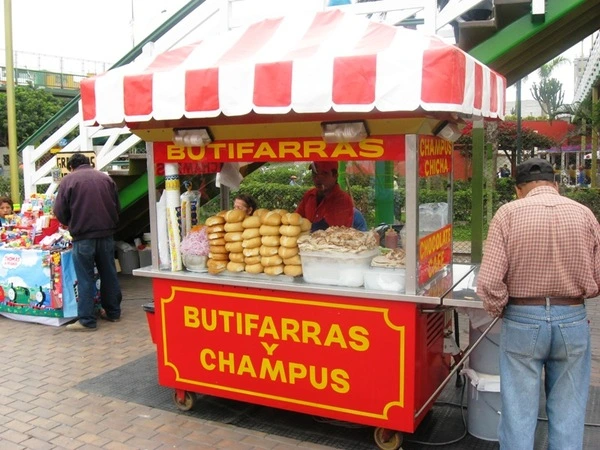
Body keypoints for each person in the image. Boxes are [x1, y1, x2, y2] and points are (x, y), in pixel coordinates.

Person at [477, 158, 600, 449]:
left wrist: (502, 309)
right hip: (572, 317)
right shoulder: (585, 214)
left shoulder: (507, 214)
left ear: (519, 189)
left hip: (522, 317)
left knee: (518, 409)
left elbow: (489, 283)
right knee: (569, 408)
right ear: (555, 185)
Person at [54, 153, 122, 331]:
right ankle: (113, 312)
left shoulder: (68, 181)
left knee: (85, 278)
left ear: (71, 167)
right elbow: (117, 206)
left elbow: (60, 211)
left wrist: (71, 223)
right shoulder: (106, 179)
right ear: (88, 163)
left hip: (83, 236)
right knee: (109, 273)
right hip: (106, 234)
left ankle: (87, 320)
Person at [295, 161, 354, 232]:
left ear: (335, 175)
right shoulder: (309, 195)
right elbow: (296, 220)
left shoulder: (343, 200)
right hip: (305, 242)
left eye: (324, 173)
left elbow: (334, 230)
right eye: (314, 173)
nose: (318, 178)